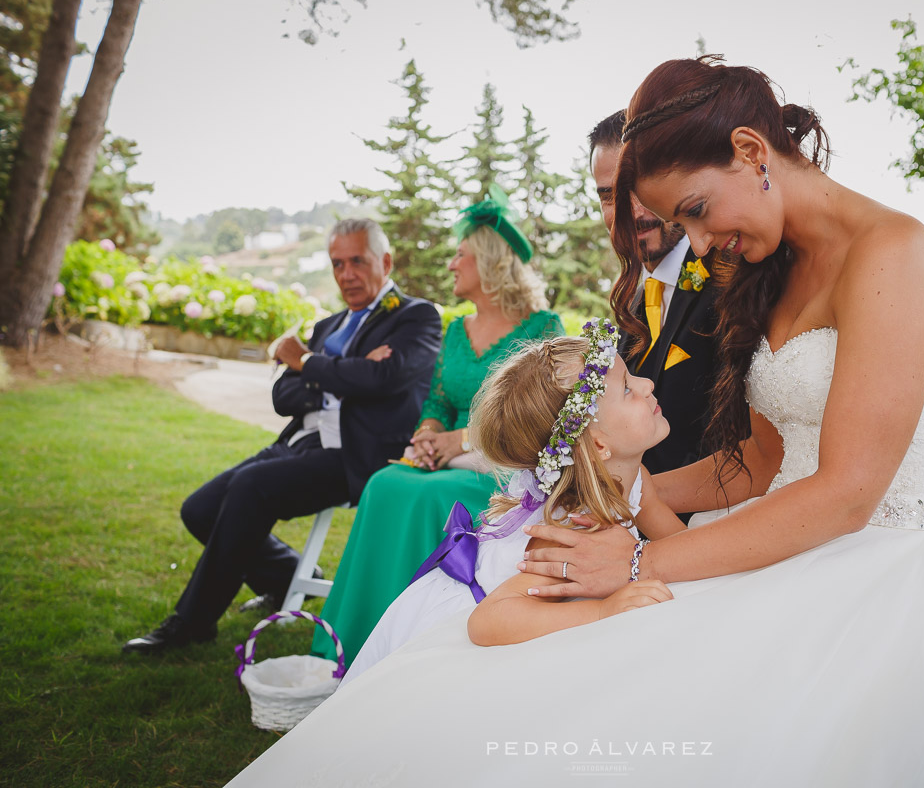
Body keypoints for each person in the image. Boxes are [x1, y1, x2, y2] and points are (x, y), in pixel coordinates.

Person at [226, 57, 924, 786]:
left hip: (883, 574)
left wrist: (633, 565)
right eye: (681, 224)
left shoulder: (893, 254)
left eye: (695, 211)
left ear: (750, 149)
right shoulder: (772, 267)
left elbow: (846, 495)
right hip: (778, 545)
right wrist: (598, 489)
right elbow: (761, 465)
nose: (698, 243)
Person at [123, 218, 442, 653]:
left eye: (357, 262)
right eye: (336, 264)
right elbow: (282, 394)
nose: (345, 274)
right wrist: (342, 374)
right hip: (301, 443)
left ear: (384, 262)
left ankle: (192, 622)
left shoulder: (416, 316)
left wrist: (307, 363)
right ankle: (285, 577)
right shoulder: (329, 325)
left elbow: (383, 378)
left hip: (355, 455)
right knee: (198, 509)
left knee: (251, 487)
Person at [340, 322, 682, 686]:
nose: (648, 385)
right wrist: (603, 610)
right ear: (599, 446)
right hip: (465, 626)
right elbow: (488, 621)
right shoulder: (569, 529)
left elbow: (678, 547)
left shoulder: (635, 479)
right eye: (628, 389)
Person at [312, 186, 564, 666]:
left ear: (489, 262)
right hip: (448, 458)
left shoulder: (542, 327)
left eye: (460, 255)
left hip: (507, 467)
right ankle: (357, 639)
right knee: (385, 483)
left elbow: (540, 414)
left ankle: (416, 647)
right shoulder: (454, 331)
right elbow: (438, 402)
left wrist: (462, 440)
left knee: (427, 495)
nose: (451, 264)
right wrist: (429, 434)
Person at [590, 111, 723, 478]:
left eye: (640, 189)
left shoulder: (729, 281)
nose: (631, 212)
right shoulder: (631, 301)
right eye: (609, 195)